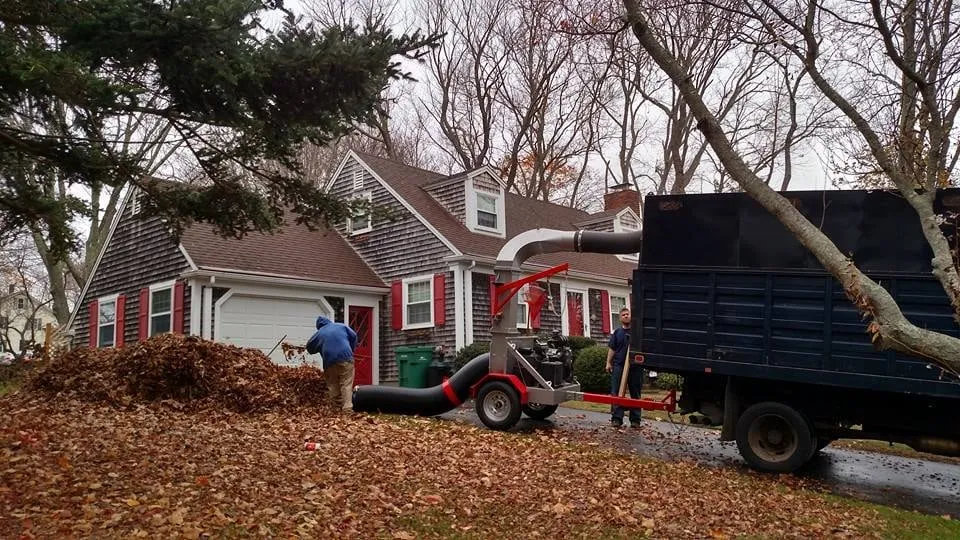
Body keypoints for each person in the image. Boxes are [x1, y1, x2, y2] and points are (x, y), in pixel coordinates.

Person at [306, 315, 358, 411]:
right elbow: (354, 335)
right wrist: (351, 348)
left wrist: (319, 346)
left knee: (333, 384)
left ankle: (336, 409)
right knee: (346, 383)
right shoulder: (341, 326)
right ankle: (347, 409)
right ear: (329, 321)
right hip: (346, 357)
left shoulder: (319, 333)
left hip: (329, 361)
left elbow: (309, 348)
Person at [605, 306, 642, 428]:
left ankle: (635, 420)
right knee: (616, 392)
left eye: (627, 314)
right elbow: (612, 349)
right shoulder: (617, 333)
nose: (626, 316)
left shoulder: (637, 333)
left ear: (631, 316)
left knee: (635, 393)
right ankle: (617, 418)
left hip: (635, 367)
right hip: (619, 366)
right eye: (623, 315)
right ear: (620, 318)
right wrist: (608, 362)